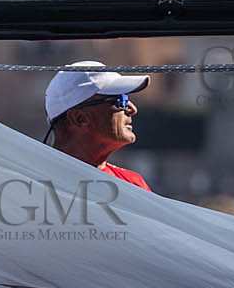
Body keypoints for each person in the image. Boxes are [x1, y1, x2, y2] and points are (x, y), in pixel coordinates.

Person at [43, 60, 152, 191]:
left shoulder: (134, 183)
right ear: (80, 118)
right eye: (120, 100)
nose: (132, 109)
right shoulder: (31, 180)